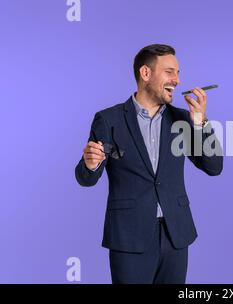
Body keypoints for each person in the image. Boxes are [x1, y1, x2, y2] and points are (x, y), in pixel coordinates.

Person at [75, 44, 223, 284]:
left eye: (178, 72)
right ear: (145, 74)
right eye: (169, 72)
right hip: (129, 237)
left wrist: (201, 123)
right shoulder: (109, 119)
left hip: (176, 235)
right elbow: (85, 178)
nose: (176, 80)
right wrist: (91, 164)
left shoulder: (183, 120)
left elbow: (214, 166)